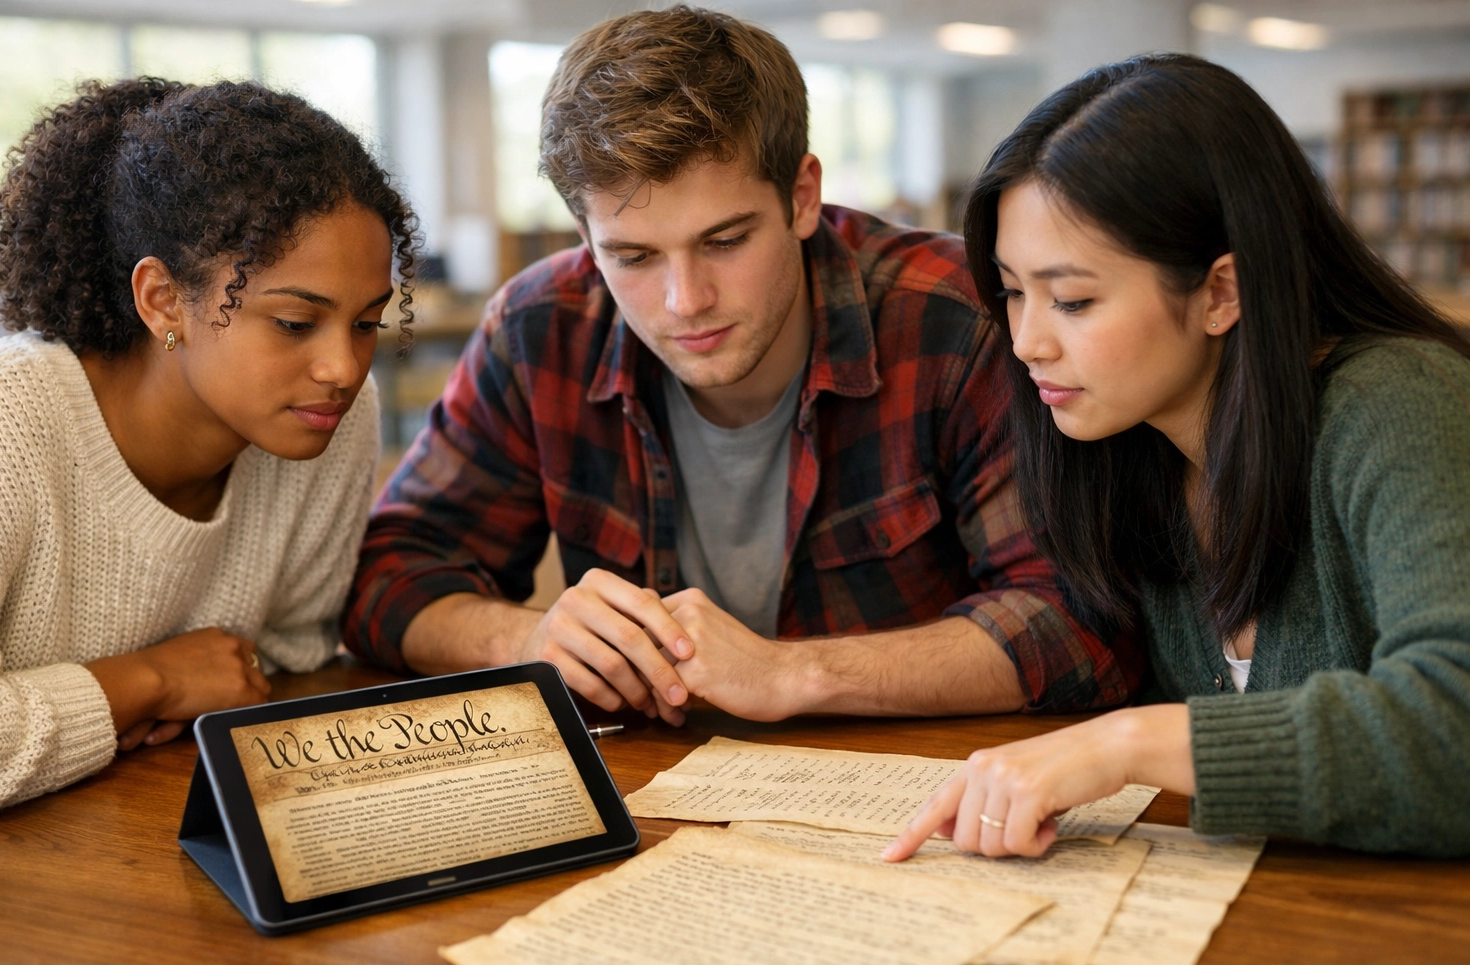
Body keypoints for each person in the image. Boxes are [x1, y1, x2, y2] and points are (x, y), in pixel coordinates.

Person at [344, 5, 1140, 726]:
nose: (685, 300)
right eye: (632, 256)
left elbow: (1085, 623)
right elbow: (389, 573)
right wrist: (528, 637)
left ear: (802, 197)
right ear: (583, 238)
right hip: (661, 800)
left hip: (928, 804)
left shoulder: (958, 319)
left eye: (725, 241)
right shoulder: (538, 327)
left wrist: (798, 673)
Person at [885, 54, 1470, 863]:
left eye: (1075, 300)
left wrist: (1125, 743)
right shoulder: (1132, 453)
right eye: (1012, 291)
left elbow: (1455, 727)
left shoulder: (1399, 401)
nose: (1026, 342)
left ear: (1222, 292)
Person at [0, 78, 417, 830]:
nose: (344, 371)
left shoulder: (332, 423)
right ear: (162, 300)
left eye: (365, 324)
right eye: (295, 323)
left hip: (146, 833)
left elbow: (290, 662)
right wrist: (149, 681)